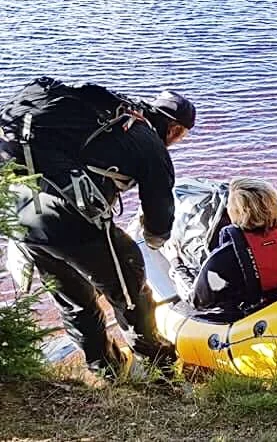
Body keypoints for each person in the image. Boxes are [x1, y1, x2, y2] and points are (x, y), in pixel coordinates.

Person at [3, 82, 195, 377]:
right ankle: (160, 371)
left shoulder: (109, 117)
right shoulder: (149, 143)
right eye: (181, 136)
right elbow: (160, 210)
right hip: (70, 223)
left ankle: (106, 371)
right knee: (131, 295)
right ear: (174, 129)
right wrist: (155, 241)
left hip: (21, 215)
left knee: (75, 302)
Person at [172, 178, 277, 314]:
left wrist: (176, 263)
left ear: (234, 212)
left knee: (177, 268)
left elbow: (196, 301)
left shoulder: (220, 261)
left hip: (243, 316)